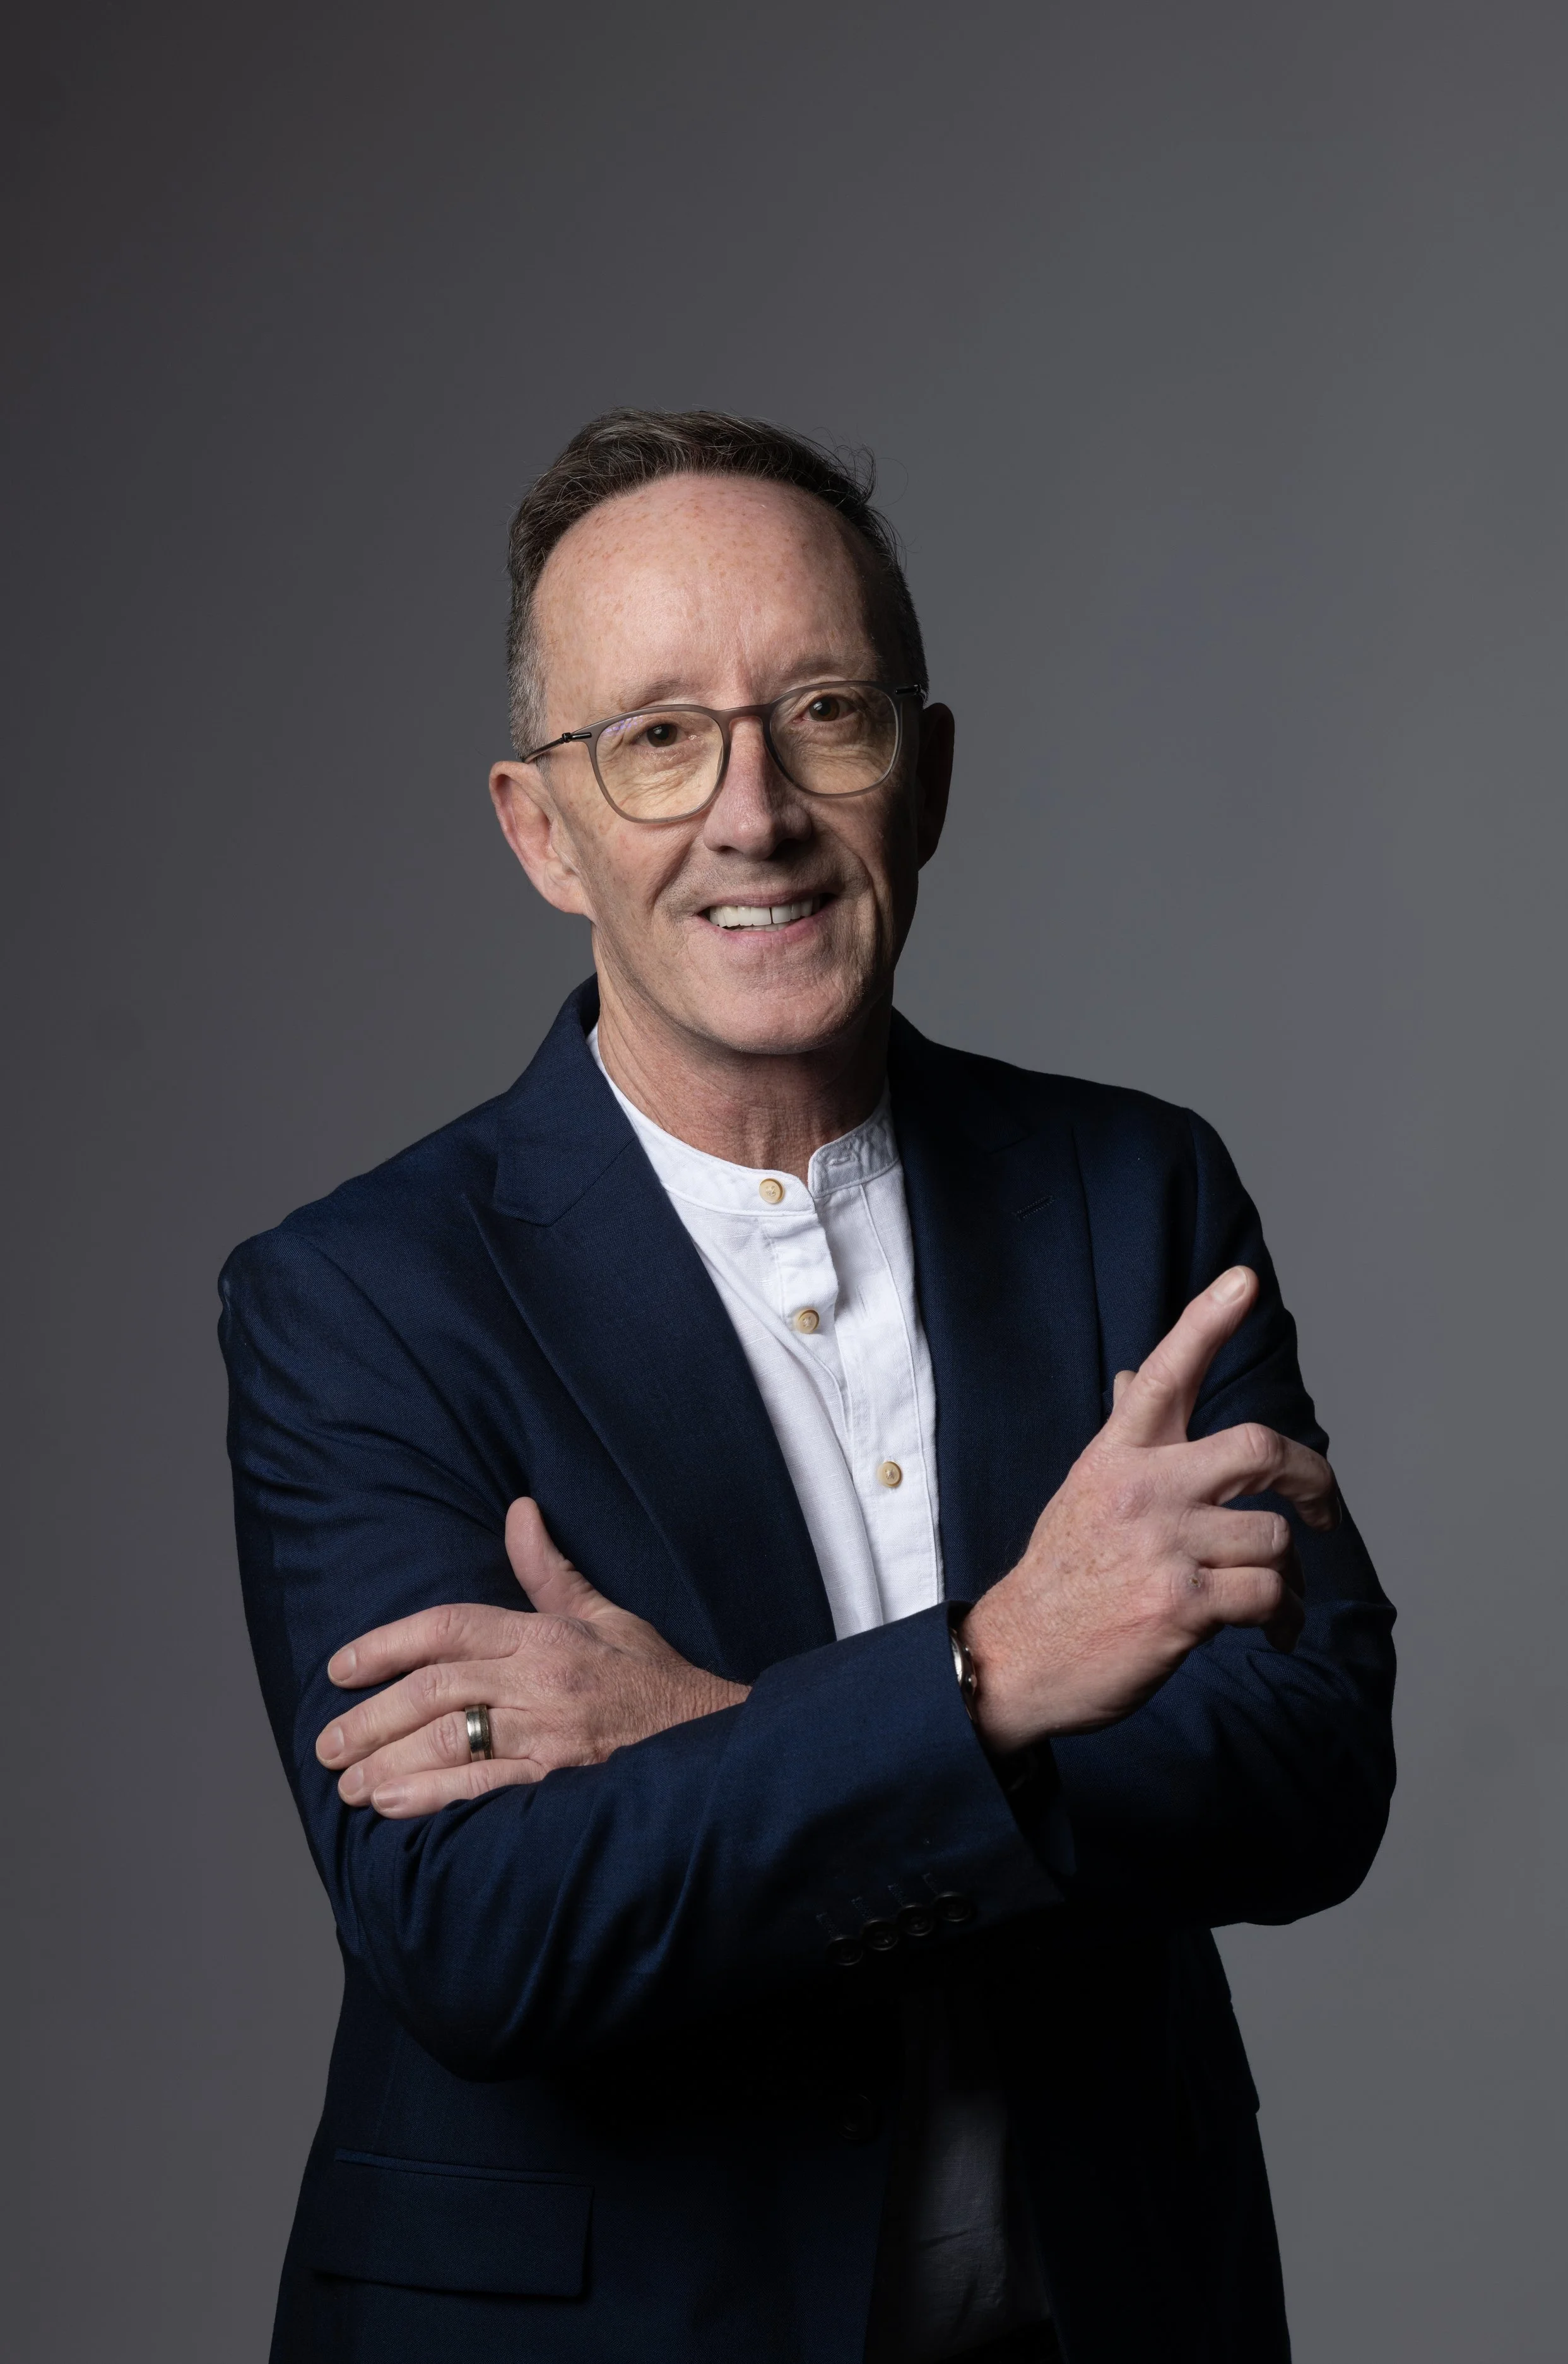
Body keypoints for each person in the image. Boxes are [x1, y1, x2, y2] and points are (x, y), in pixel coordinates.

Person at [220, 408, 1395, 2364]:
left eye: (823, 712)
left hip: (1111, 2304)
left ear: (922, 779)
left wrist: (716, 1731)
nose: (748, 811)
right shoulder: (362, 1297)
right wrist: (998, 1675)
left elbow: (1302, 1774)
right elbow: (481, 1934)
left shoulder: (1135, 1189)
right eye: (656, 738)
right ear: (539, 828)